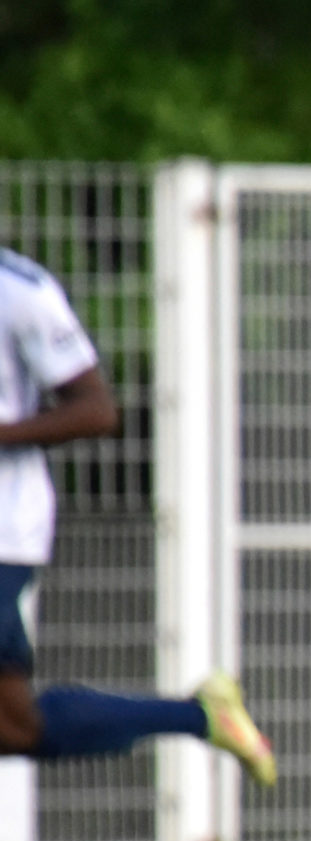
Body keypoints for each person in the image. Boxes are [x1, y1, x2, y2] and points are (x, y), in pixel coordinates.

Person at [0, 247, 272, 782]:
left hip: (3, 533)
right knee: (14, 729)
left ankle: (201, 716)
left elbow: (96, 410)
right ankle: (201, 716)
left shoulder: (17, 290)